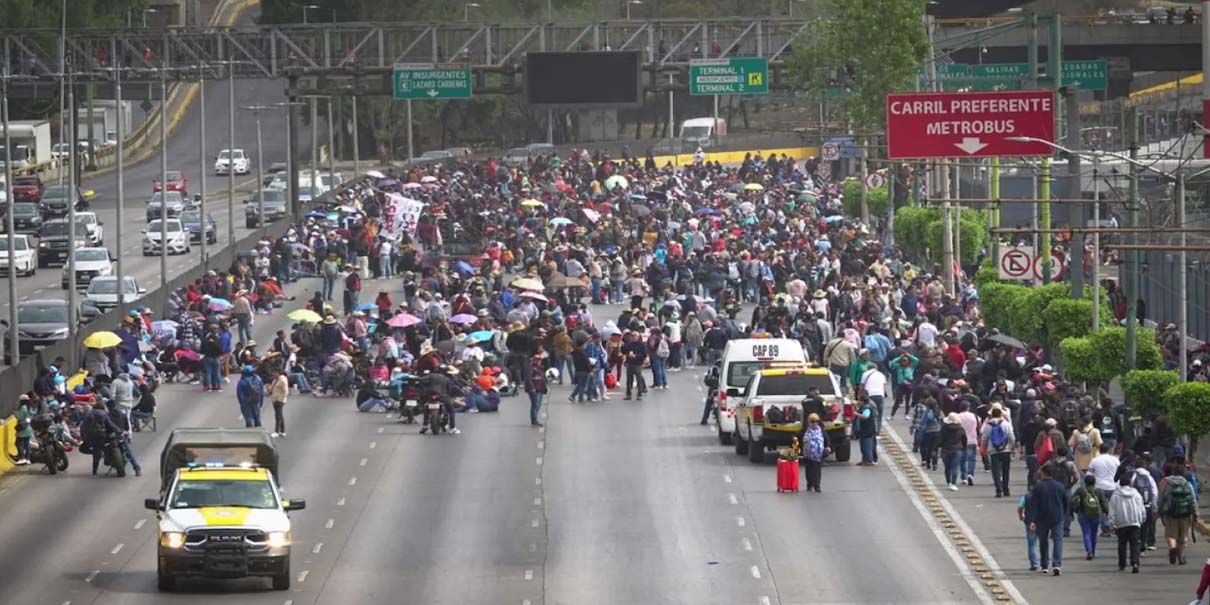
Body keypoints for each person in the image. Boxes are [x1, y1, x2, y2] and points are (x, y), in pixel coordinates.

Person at [1028, 462, 1069, 576]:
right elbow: (1065, 501)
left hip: (1042, 517)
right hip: (1057, 516)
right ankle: (1057, 564)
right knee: (1058, 540)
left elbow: (1033, 504)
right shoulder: (1059, 486)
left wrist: (1032, 520)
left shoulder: (1038, 486)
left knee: (1043, 541)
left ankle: (1044, 565)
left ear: (1043, 473)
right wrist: (1064, 514)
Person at [1158, 460, 1199, 565]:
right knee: (1183, 537)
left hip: (1171, 514)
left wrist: (1160, 510)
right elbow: (1193, 500)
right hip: (1185, 514)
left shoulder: (1167, 483)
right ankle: (1181, 556)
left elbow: (1162, 498)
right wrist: (1196, 514)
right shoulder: (1187, 484)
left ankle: (1172, 548)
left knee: (1171, 535)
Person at [1108, 475, 1146, 573]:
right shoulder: (1136, 494)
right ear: (1130, 483)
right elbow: (1141, 508)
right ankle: (1135, 562)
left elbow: (1112, 510)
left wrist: (1112, 523)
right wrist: (1142, 519)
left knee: (1122, 543)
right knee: (1135, 543)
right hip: (1135, 522)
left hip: (1121, 522)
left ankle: (1122, 563)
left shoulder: (1115, 495)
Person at [980, 405, 1015, 497]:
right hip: (1006, 450)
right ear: (1000, 414)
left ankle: (998, 490)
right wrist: (1013, 446)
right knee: (1005, 470)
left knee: (995, 471)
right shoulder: (1006, 423)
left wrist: (984, 447)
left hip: (993, 451)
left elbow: (984, 438)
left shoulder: (988, 425)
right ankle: (1006, 489)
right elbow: (1011, 436)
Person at [1071, 474, 1107, 560]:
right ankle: (1093, 551)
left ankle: (1089, 550)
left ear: (1085, 482)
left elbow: (1072, 501)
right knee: (1094, 533)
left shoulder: (1080, 490)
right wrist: (1106, 511)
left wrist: (1071, 512)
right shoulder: (1099, 491)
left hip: (1083, 513)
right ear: (1094, 482)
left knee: (1086, 532)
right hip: (1096, 514)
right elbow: (1103, 503)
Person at [1088, 442, 1120, 535]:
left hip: (1099, 486)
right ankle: (1114, 526)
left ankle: (1105, 529)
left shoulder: (1094, 461)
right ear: (1109, 450)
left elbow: (1089, 474)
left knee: (1102, 509)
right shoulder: (1115, 460)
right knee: (1114, 507)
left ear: (1099, 450)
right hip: (1113, 486)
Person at [801, 413, 830, 492]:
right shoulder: (805, 430)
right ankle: (809, 484)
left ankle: (817, 486)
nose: (814, 423)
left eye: (816, 421)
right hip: (808, 454)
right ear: (809, 422)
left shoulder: (821, 431)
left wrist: (828, 447)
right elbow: (797, 437)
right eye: (812, 421)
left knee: (817, 471)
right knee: (809, 470)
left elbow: (827, 439)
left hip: (818, 454)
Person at [940, 412, 967, 491]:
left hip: (945, 449)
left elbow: (940, 438)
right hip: (957, 450)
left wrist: (937, 447)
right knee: (954, 467)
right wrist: (964, 448)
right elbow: (964, 439)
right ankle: (953, 483)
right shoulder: (961, 429)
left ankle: (948, 481)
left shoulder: (944, 428)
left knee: (947, 467)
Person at [956, 400, 979, 486]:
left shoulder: (958, 417)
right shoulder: (974, 416)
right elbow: (978, 428)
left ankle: (964, 476)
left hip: (961, 440)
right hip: (972, 439)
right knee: (971, 459)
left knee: (962, 459)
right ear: (968, 408)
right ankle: (970, 474)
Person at [236, 364, 265, 428]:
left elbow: (239, 394)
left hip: (246, 402)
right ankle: (259, 431)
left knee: (248, 418)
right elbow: (261, 392)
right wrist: (261, 401)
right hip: (256, 401)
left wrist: (242, 403)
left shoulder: (242, 381)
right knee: (257, 418)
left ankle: (250, 432)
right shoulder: (258, 379)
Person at [622, 331, 648, 401]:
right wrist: (624, 345)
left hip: (638, 364)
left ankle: (639, 394)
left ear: (638, 337)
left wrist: (636, 356)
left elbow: (644, 354)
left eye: (635, 336)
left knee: (639, 380)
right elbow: (623, 351)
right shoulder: (629, 344)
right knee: (629, 380)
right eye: (632, 336)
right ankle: (628, 394)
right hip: (630, 363)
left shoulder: (641, 345)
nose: (634, 338)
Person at [526, 346, 547, 427]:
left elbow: (543, 379)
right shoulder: (531, 368)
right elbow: (528, 378)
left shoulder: (540, 368)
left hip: (540, 388)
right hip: (534, 389)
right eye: (538, 361)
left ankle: (535, 418)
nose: (540, 362)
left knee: (538, 405)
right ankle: (534, 420)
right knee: (535, 404)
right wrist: (532, 388)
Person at [1019, 491, 1040, 571]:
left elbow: (1020, 507)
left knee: (1032, 544)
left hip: (1029, 521)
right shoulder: (1043, 495)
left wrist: (1021, 516)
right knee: (1043, 542)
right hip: (1042, 521)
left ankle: (1034, 563)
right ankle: (1044, 563)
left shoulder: (1026, 497)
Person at [855, 394, 878, 466]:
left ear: (862, 401)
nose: (858, 401)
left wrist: (856, 414)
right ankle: (864, 459)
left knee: (867, 445)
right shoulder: (863, 407)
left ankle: (868, 460)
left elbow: (865, 416)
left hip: (868, 430)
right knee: (863, 445)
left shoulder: (867, 408)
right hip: (864, 429)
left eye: (859, 400)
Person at [267, 367, 289, 437]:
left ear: (278, 372)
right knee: (280, 415)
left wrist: (282, 399)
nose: (273, 374)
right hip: (275, 399)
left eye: (274, 372)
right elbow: (272, 389)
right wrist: (268, 388)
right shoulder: (275, 380)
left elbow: (285, 391)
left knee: (278, 416)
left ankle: (277, 431)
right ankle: (282, 431)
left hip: (279, 400)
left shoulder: (283, 380)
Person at [14, 394, 34, 465]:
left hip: (22, 429)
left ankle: (21, 458)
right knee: (27, 444)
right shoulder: (29, 407)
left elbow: (20, 417)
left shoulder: (23, 408)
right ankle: (28, 458)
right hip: (28, 428)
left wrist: (15, 412)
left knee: (19, 443)